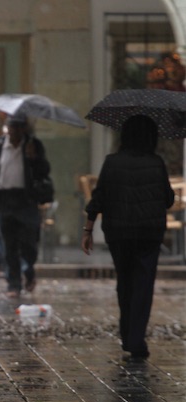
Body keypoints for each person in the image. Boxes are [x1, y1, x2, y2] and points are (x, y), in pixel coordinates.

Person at [82, 115, 174, 360]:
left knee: (125, 282)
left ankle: (127, 334)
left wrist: (88, 230)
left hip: (119, 232)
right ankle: (135, 338)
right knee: (143, 284)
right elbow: (168, 200)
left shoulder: (112, 162)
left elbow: (99, 197)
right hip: (149, 233)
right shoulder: (156, 163)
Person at [0, 115, 49, 298]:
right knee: (8, 243)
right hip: (3, 199)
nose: (14, 132)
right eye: (12, 128)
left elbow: (44, 172)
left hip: (26, 199)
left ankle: (28, 271)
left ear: (24, 129)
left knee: (29, 242)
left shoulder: (34, 145)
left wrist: (34, 158)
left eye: (19, 128)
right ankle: (13, 283)